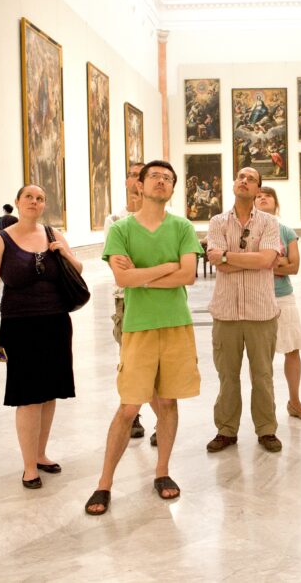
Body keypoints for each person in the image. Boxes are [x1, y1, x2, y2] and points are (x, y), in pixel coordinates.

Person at [85, 160, 203, 515]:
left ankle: (162, 472)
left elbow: (189, 276)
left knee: (167, 402)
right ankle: (104, 483)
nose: (162, 182)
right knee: (129, 407)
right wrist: (167, 268)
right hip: (138, 326)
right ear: (140, 184)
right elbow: (124, 280)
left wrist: (144, 273)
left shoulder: (182, 226)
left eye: (168, 179)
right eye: (155, 176)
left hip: (175, 323)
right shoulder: (121, 229)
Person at [0, 184, 80, 489]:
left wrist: (63, 252)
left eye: (39, 198)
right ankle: (28, 467)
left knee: (50, 393)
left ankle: (40, 453)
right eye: (29, 198)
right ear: (18, 203)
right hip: (20, 327)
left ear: (43, 204)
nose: (34, 202)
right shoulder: (0, 242)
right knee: (28, 397)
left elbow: (78, 268)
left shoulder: (53, 235)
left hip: (56, 323)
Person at [204, 167, 283, 453]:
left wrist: (228, 256)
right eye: (240, 176)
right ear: (234, 183)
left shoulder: (270, 223)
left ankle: (266, 429)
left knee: (262, 375)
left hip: (261, 312)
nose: (244, 181)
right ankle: (226, 430)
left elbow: (266, 260)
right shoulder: (216, 222)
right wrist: (248, 259)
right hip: (226, 312)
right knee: (227, 376)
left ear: (258, 189)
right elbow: (217, 262)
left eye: (251, 179)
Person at [254, 186, 301, 421]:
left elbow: (294, 267)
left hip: (283, 296)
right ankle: (265, 407)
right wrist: (278, 260)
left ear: (275, 203)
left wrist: (264, 261)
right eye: (258, 196)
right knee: (261, 356)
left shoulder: (287, 231)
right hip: (257, 296)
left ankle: (294, 401)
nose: (262, 198)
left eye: (267, 195)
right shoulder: (250, 231)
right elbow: (248, 263)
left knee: (292, 349)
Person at [103, 162, 150, 444]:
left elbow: (172, 264)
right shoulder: (115, 220)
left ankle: (161, 419)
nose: (137, 181)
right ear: (126, 182)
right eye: (132, 175)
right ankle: (133, 414)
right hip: (126, 298)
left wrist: (141, 269)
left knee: (161, 360)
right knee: (129, 359)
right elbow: (118, 264)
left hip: (157, 298)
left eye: (141, 176)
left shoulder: (165, 217)